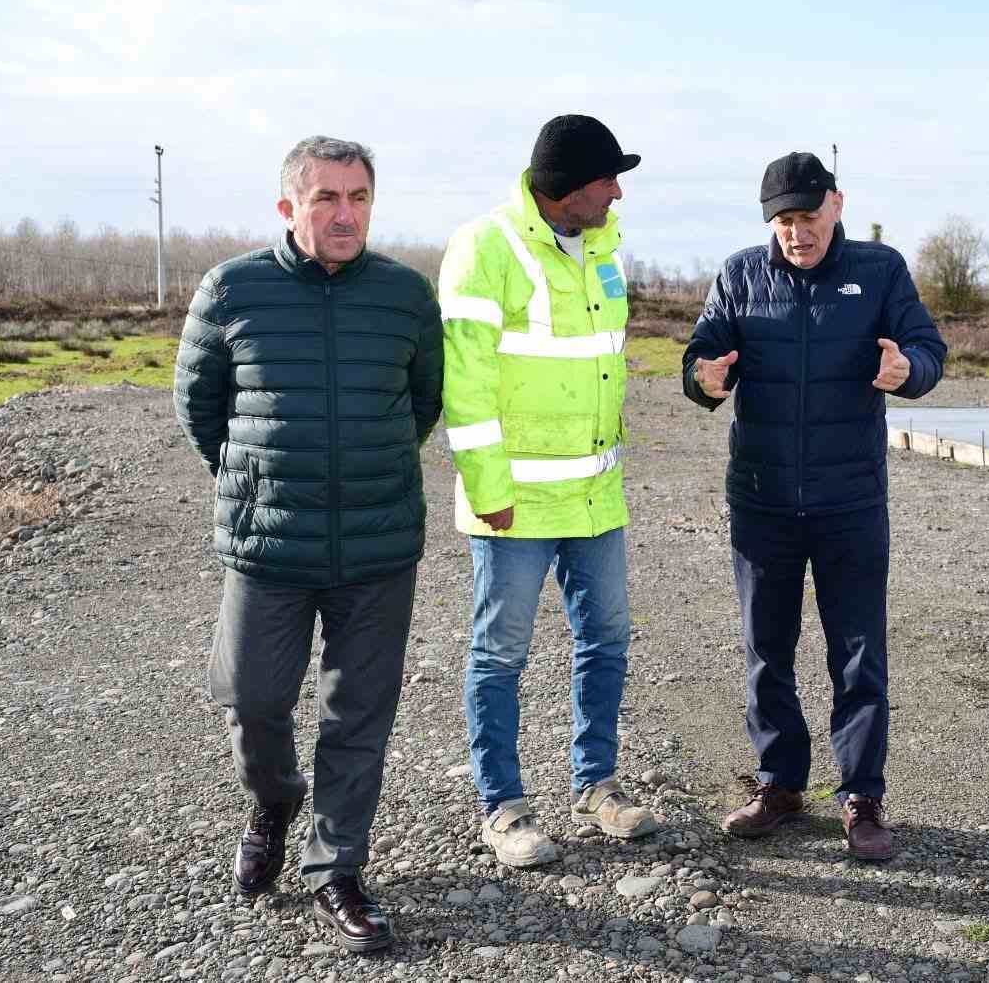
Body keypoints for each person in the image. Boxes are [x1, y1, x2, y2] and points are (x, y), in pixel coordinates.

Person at [174, 136, 443, 952]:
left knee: (358, 716)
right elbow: (200, 407)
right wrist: (259, 478)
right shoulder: (232, 288)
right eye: (326, 197)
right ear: (288, 206)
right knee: (252, 700)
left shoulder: (404, 295)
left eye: (358, 198)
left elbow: (422, 402)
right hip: (269, 545)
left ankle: (336, 871)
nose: (344, 214)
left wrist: (365, 470)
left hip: (376, 546)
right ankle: (275, 799)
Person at [682, 151, 946, 861]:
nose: (797, 234)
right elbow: (702, 356)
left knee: (858, 653)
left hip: (850, 500)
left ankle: (862, 796)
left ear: (837, 203)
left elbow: (927, 349)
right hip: (761, 501)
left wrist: (907, 371)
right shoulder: (740, 274)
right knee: (766, 648)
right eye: (784, 222)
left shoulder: (881, 270)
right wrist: (704, 380)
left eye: (808, 216)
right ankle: (780, 784)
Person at [437, 114, 657, 868]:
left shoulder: (604, 250)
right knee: (500, 654)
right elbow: (465, 384)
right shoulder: (484, 247)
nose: (617, 192)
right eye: (608, 179)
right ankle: (503, 808)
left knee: (608, 640)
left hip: (596, 499)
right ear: (567, 187)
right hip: (515, 503)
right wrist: (487, 488)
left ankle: (596, 785)